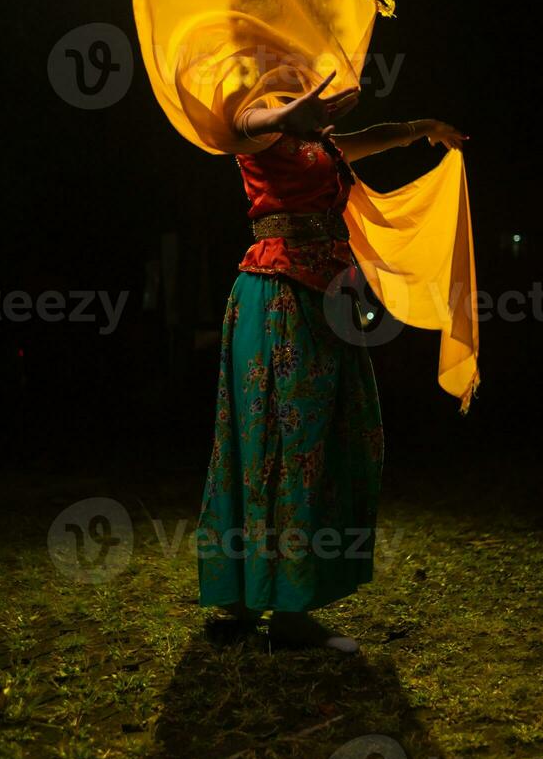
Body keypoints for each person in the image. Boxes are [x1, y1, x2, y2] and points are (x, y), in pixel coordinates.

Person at [196, 72, 466, 653]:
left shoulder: (325, 147)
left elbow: (378, 133)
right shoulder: (256, 133)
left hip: (323, 298)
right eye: (294, 89)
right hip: (278, 294)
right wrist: (282, 115)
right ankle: (269, 605)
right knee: (281, 441)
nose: (311, 97)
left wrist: (425, 130)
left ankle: (275, 595)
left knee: (324, 437)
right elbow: (246, 124)